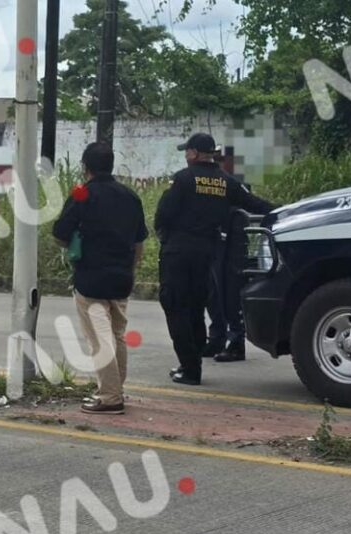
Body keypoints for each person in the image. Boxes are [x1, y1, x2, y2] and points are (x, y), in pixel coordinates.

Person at [155, 133, 275, 386]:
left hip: (178, 252)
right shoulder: (226, 182)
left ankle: (189, 369)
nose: (186, 155)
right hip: (207, 253)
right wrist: (285, 211)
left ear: (194, 154)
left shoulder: (182, 179)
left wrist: (165, 239)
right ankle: (194, 360)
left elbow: (163, 215)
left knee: (176, 307)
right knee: (197, 307)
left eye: (187, 151)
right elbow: (254, 203)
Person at [53, 142, 148, 415]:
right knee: (117, 335)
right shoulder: (130, 196)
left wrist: (75, 242)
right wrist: (132, 268)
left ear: (85, 167)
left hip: (91, 277)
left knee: (99, 338)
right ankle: (116, 388)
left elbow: (60, 233)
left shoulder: (82, 193)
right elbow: (139, 240)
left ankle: (109, 397)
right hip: (122, 277)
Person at [204, 206, 251, 362]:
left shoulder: (232, 184)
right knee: (213, 291)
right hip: (214, 230)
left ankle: (237, 342)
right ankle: (217, 338)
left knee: (230, 290)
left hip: (233, 227)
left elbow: (246, 194)